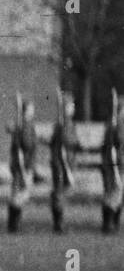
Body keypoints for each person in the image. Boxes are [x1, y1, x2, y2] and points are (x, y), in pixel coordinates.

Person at [7, 96, 38, 234]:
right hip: (22, 164)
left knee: (22, 192)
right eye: (30, 110)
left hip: (27, 163)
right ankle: (13, 224)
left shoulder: (26, 125)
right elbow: (25, 144)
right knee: (20, 192)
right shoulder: (23, 125)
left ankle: (14, 222)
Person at [49, 90, 78, 234]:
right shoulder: (64, 124)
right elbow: (65, 145)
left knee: (60, 192)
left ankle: (59, 222)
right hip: (62, 164)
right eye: (71, 105)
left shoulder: (65, 123)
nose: (73, 107)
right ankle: (58, 224)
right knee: (60, 192)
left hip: (61, 163)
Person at [101, 90, 123, 234]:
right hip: (115, 164)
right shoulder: (114, 126)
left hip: (118, 163)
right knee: (114, 192)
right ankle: (109, 223)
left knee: (118, 193)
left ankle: (114, 222)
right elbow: (112, 147)